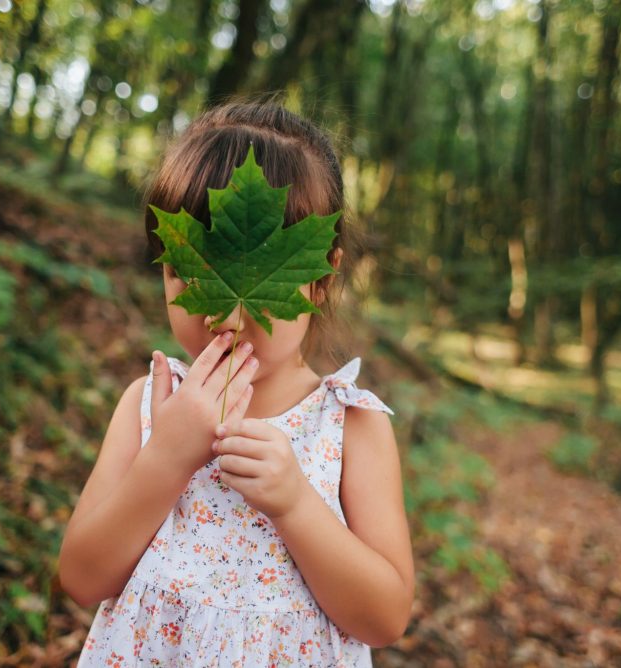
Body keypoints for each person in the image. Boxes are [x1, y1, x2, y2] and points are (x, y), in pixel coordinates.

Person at [59, 101, 414, 667]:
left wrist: (296, 504)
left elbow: (385, 616)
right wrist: (166, 461)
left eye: (260, 278)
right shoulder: (149, 406)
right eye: (191, 272)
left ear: (321, 280)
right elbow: (81, 577)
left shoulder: (351, 426)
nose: (223, 317)